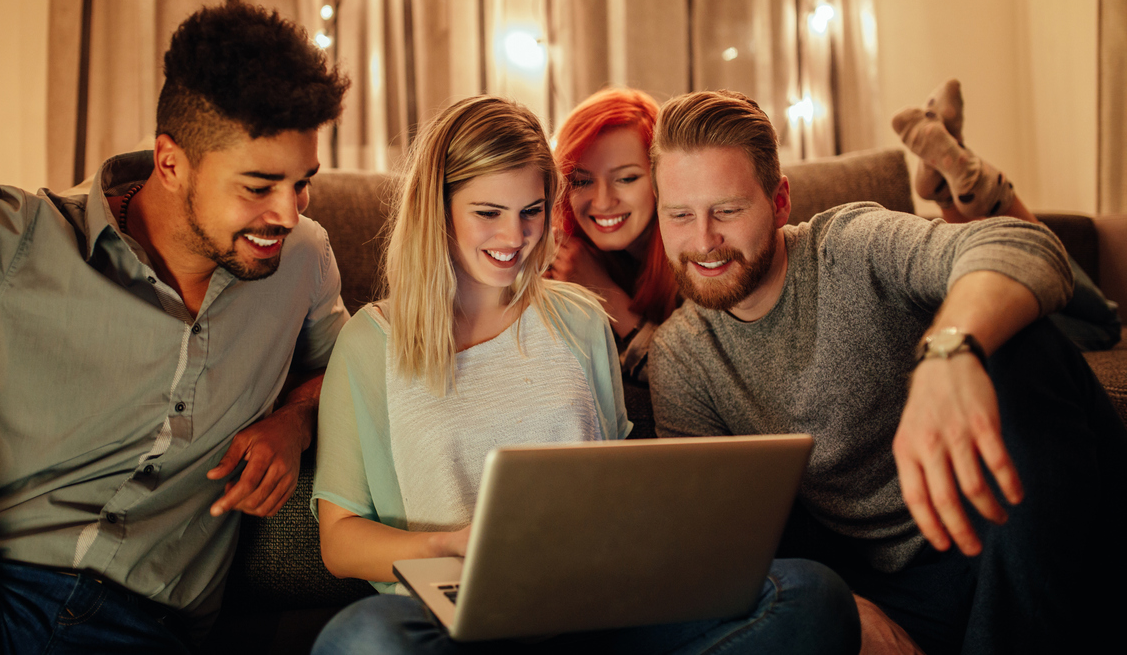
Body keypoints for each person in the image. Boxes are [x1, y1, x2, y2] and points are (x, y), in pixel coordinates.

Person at [0, 2, 350, 653]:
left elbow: (350, 372)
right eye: (259, 187)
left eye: (303, 185)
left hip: (138, 629)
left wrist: (294, 422)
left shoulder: (303, 259)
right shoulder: (18, 235)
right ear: (171, 161)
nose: (288, 214)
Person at [309, 95, 860, 655]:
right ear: (439, 207)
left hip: (595, 610)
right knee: (362, 637)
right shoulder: (369, 343)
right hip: (450, 618)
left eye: (531, 210)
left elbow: (618, 486)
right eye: (488, 213)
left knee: (809, 593)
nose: (514, 238)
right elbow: (340, 540)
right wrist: (449, 547)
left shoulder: (579, 318)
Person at [647, 89, 1127, 655]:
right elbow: (719, 537)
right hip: (896, 588)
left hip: (1012, 520)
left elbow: (1019, 240)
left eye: (726, 210)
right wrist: (847, 602)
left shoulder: (849, 245)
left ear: (779, 203)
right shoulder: (681, 357)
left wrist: (948, 354)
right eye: (679, 215)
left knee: (1023, 346)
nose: (703, 240)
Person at [891, 77, 1121, 350]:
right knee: (1107, 325)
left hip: (945, 308)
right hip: (963, 319)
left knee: (1098, 319)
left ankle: (961, 192)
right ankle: (975, 192)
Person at [550, 87, 678, 384]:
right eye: (582, 181)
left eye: (626, 178)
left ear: (662, 177)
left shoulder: (698, 253)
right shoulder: (567, 259)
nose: (603, 201)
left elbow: (695, 386)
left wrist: (604, 293)